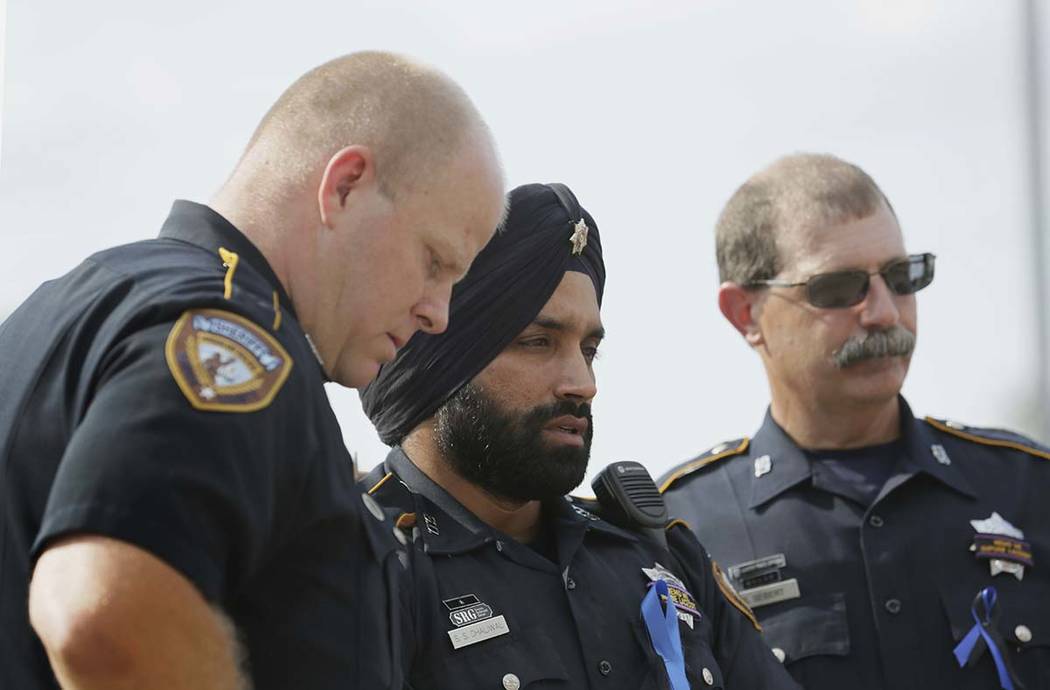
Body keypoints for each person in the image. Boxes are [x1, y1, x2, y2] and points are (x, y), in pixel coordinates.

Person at [0, 51, 505, 690]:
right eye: (435, 262)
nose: (439, 314)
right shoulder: (235, 340)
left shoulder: (75, 305)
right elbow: (103, 611)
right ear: (345, 185)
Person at [359, 183, 799, 690]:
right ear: (442, 363)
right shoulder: (363, 570)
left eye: (589, 350)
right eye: (537, 342)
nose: (583, 384)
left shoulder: (660, 556)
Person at [659, 153, 1050, 690]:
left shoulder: (1028, 488)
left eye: (902, 276)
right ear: (746, 314)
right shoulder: (681, 532)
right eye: (839, 289)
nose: (884, 312)